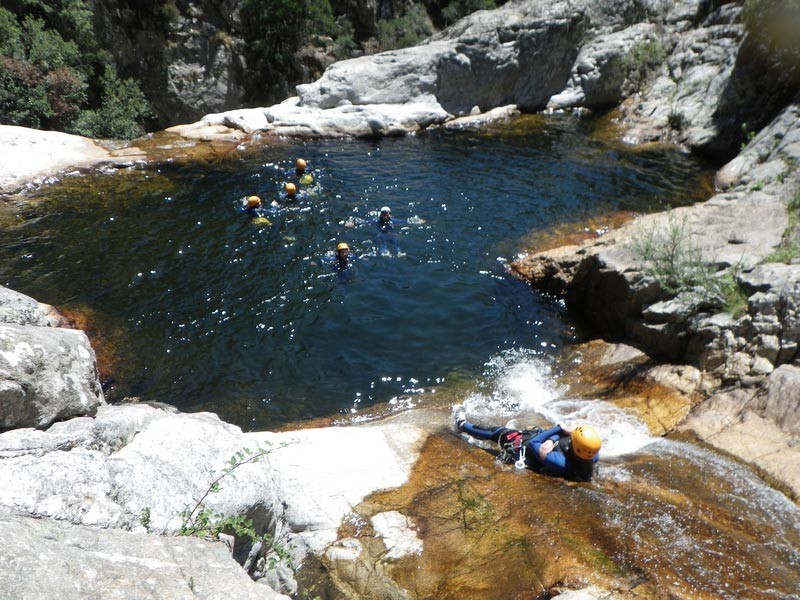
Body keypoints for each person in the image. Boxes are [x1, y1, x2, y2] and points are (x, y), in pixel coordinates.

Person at [454, 406, 601, 482]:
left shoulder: (559, 462)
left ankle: (461, 425)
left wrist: (559, 429)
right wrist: (552, 439)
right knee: (536, 431)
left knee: (499, 432)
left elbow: (534, 443)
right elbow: (560, 438)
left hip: (525, 450)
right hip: (544, 444)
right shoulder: (590, 455)